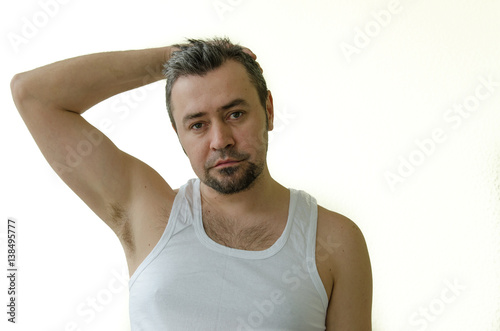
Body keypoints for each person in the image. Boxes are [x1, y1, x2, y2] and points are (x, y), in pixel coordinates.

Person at [11, 37, 372, 330]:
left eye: (235, 114)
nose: (220, 140)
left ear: (269, 111)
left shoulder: (334, 241)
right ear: (178, 134)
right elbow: (33, 95)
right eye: (197, 124)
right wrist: (169, 59)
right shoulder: (146, 210)